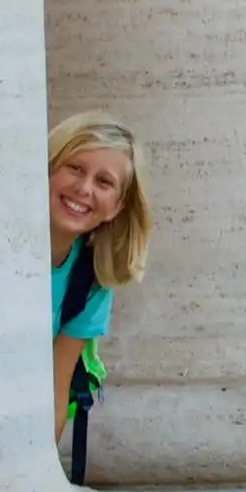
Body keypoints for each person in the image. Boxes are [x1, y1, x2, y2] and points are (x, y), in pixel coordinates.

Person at [48, 111, 152, 447]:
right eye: (75, 168)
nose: (84, 189)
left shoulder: (90, 279)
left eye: (103, 182)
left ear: (117, 206)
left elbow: (54, 394)